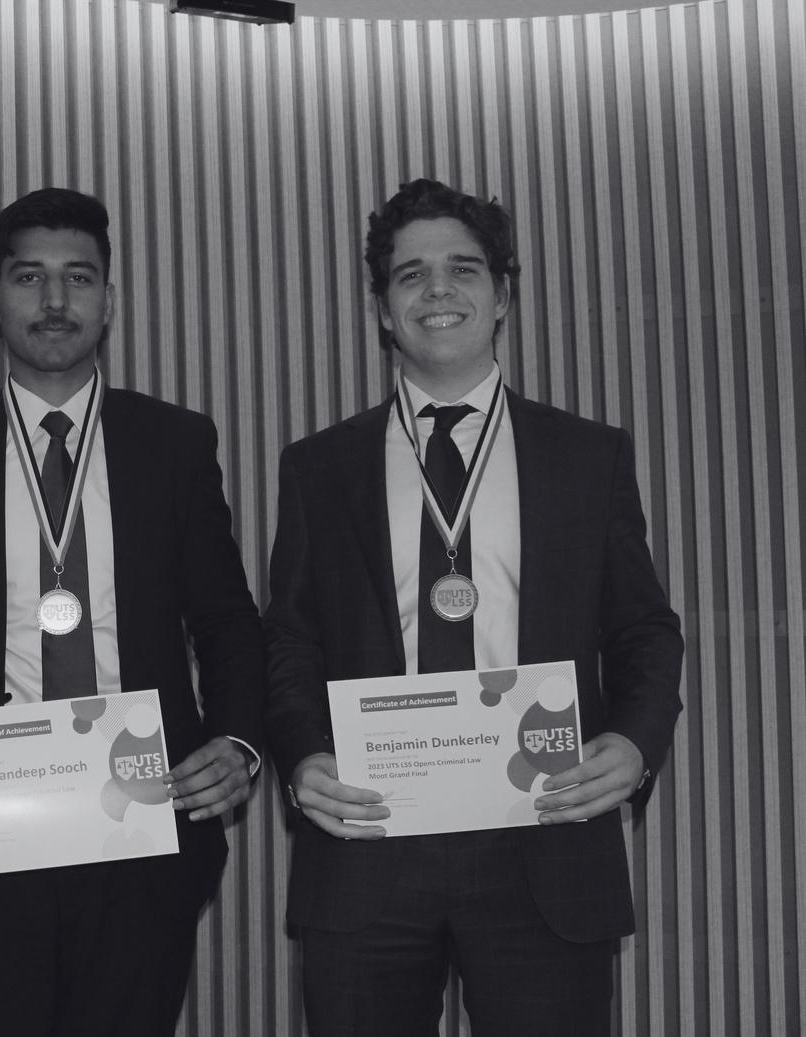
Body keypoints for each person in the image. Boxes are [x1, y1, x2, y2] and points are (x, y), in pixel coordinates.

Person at [263, 178, 684, 1036]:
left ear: (503, 296)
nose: (438, 290)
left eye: (463, 268)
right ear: (383, 310)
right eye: (410, 274)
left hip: (545, 832)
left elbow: (644, 629)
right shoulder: (318, 467)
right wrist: (304, 757)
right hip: (369, 835)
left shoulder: (587, 455)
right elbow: (290, 641)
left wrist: (635, 744)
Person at [0, 187, 266, 1036]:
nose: (54, 300)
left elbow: (227, 622)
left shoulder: (175, 443)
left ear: (108, 301)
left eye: (78, 278)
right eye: (28, 277)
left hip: (143, 823)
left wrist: (238, 740)